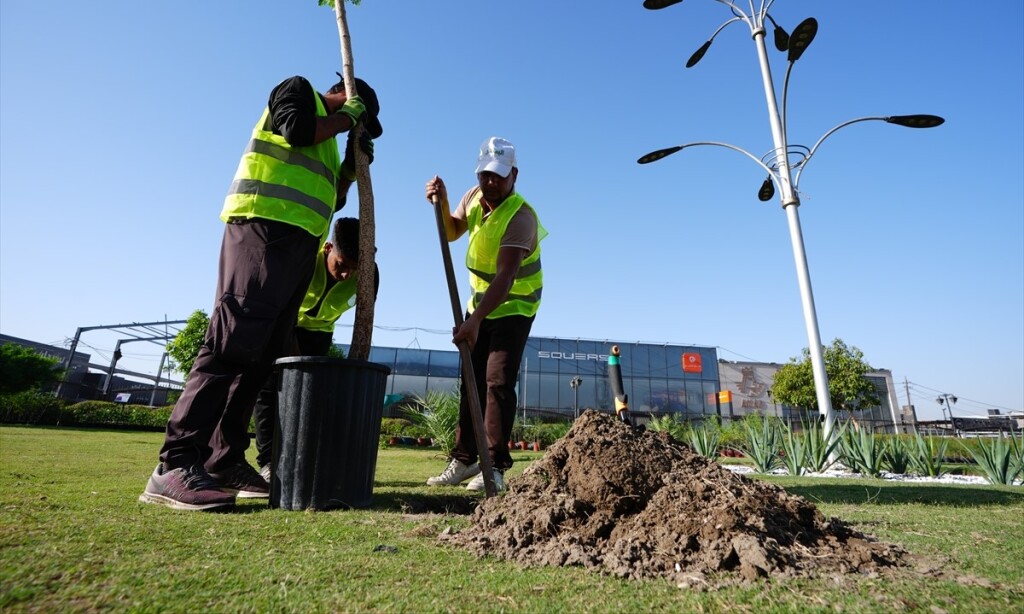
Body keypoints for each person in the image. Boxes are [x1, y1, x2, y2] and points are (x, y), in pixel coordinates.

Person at [140, 74, 382, 511]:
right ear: (348, 97)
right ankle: (175, 463)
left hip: (298, 245)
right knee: (231, 344)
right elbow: (296, 129)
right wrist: (346, 119)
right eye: (361, 118)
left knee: (264, 356)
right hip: (261, 229)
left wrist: (347, 170)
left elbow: (334, 201)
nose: (358, 127)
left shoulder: (331, 140)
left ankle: (222, 459)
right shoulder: (298, 90)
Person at [423, 137, 547, 492]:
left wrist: (473, 322)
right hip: (478, 306)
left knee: (497, 381)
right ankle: (464, 459)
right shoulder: (473, 198)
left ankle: (494, 466)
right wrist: (443, 201)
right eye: (485, 174)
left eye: (498, 175)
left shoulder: (521, 217)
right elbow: (451, 231)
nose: (490, 182)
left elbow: (506, 279)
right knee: (471, 380)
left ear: (514, 176)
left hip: (515, 306)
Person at [252, 216, 380, 481]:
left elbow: (364, 319)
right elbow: (283, 311)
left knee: (310, 397)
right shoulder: (305, 259)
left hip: (319, 335)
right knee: (269, 391)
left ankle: (302, 457)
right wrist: (294, 356)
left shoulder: (369, 276)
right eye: (342, 265)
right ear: (328, 248)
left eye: (354, 270)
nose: (346, 275)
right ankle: (267, 462)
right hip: (283, 323)